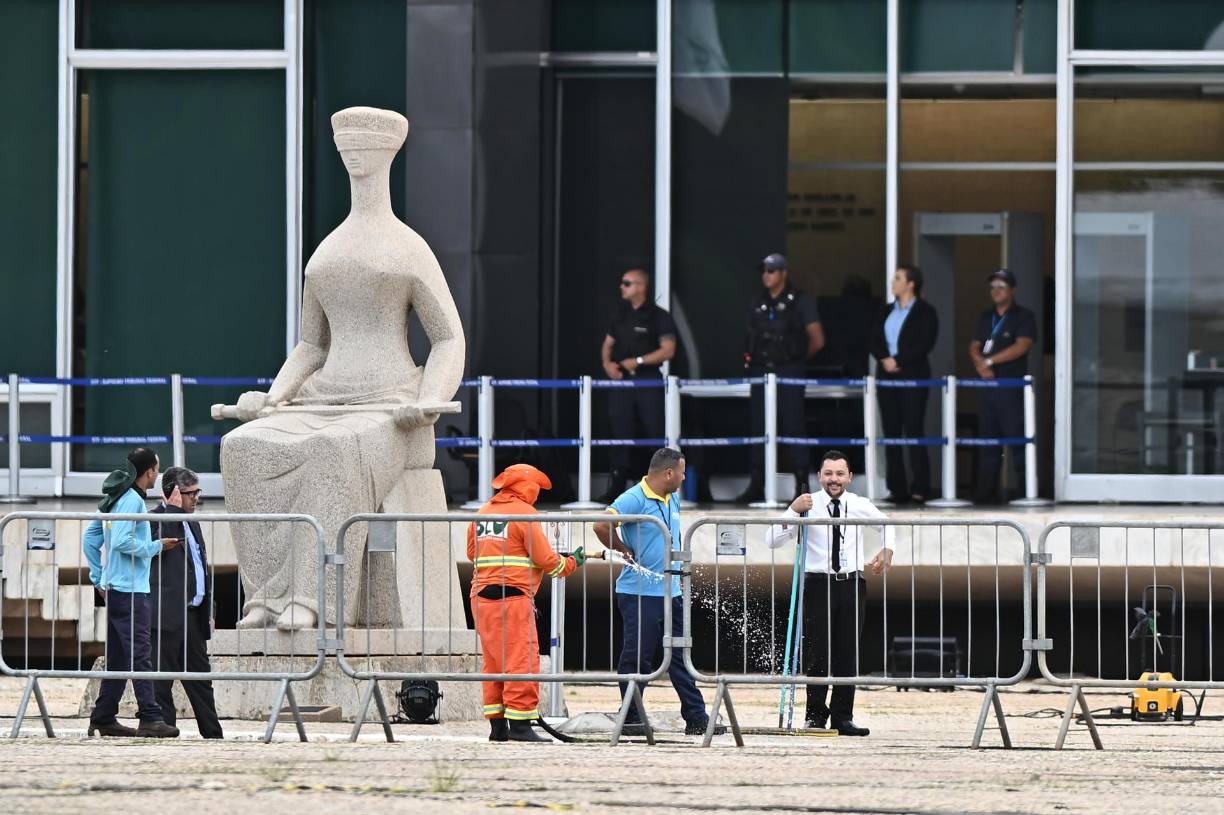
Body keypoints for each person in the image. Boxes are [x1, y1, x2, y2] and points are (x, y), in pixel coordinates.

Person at [222, 107, 465, 632]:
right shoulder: (328, 250)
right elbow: (311, 344)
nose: (354, 155)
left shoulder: (409, 248)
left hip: (390, 407)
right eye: (346, 146)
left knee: (334, 450)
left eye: (364, 147)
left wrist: (427, 401)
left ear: (387, 154)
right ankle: (265, 596)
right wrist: (273, 397)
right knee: (242, 448)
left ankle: (313, 598)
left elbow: (448, 338)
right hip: (323, 398)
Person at [764, 449, 894, 736]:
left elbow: (886, 524)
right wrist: (792, 511)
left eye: (839, 474)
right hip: (817, 584)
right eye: (828, 473)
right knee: (817, 652)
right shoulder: (807, 504)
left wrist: (887, 549)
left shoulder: (859, 504)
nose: (834, 479)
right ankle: (814, 715)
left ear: (849, 477)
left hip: (851, 583)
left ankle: (843, 717)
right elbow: (772, 539)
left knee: (848, 652)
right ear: (819, 476)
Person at [595, 447, 718, 735]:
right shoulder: (634, 497)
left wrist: (679, 575)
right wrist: (622, 549)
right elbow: (601, 525)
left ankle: (696, 717)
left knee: (681, 656)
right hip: (640, 593)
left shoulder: (672, 497)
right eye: (682, 472)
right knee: (638, 657)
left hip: (670, 591)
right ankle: (631, 717)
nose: (685, 478)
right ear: (669, 473)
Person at [467, 463, 585, 743]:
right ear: (527, 487)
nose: (538, 496)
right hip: (513, 598)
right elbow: (546, 560)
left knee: (494, 663)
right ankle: (520, 726)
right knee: (521, 661)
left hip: (480, 598)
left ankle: (498, 727)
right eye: (537, 490)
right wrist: (572, 563)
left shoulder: (482, 513)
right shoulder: (525, 514)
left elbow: (472, 553)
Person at [82, 448, 180, 738]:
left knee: (118, 659)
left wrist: (99, 577)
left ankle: (103, 716)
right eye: (157, 470)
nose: (158, 475)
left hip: (116, 589)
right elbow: (122, 541)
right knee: (140, 654)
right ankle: (150, 717)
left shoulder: (115, 497)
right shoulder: (134, 500)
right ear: (149, 472)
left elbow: (90, 538)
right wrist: (156, 546)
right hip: (132, 590)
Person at [738, 253, 824, 502]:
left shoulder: (800, 301)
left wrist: (795, 360)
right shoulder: (757, 302)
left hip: (789, 371)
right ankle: (757, 484)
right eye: (764, 270)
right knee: (759, 427)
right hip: (761, 372)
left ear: (783, 273)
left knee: (793, 426)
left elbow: (817, 340)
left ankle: (801, 484)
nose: (766, 275)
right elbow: (750, 337)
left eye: (772, 270)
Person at [149, 466, 223, 739]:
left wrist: (208, 607)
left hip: (193, 615)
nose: (196, 499)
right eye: (191, 494)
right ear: (175, 494)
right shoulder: (153, 519)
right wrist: (172, 511)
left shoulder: (192, 522)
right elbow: (159, 546)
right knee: (161, 679)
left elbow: (199, 565)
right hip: (166, 614)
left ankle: (213, 734)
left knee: (200, 679)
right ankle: (165, 731)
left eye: (197, 492)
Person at [600, 268, 678, 502]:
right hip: (622, 381)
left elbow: (668, 349)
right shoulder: (620, 314)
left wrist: (640, 361)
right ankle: (616, 486)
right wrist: (607, 365)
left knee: (654, 432)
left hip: (648, 379)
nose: (622, 287)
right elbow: (607, 344)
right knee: (619, 433)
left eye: (627, 283)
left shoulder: (659, 316)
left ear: (641, 287)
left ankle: (659, 487)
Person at [871, 265, 939, 503]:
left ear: (911, 284)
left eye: (898, 278)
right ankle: (897, 488)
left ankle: (921, 486)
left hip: (912, 375)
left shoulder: (925, 311)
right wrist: (885, 360)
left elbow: (925, 342)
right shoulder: (886, 310)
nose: (893, 282)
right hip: (887, 376)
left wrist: (898, 360)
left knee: (913, 428)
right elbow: (873, 338)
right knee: (891, 431)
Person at [969, 268, 1037, 504]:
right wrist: (980, 364)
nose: (996, 291)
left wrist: (990, 362)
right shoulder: (985, 317)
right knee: (988, 441)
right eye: (993, 287)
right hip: (987, 388)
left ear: (1012, 290)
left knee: (1017, 439)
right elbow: (974, 345)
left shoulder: (1023, 316)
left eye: (1001, 287)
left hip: (1010, 387)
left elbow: (1022, 345)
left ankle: (1025, 491)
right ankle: (986, 493)